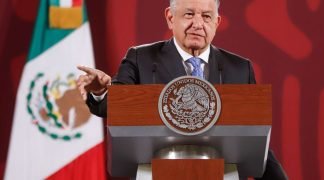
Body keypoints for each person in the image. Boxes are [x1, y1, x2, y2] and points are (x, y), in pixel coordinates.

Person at [77, 0, 287, 179]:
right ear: (170, 17)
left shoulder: (240, 68)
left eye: (206, 16)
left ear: (217, 22)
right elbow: (114, 108)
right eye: (189, 14)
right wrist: (100, 91)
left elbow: (254, 135)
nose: (197, 24)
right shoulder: (140, 58)